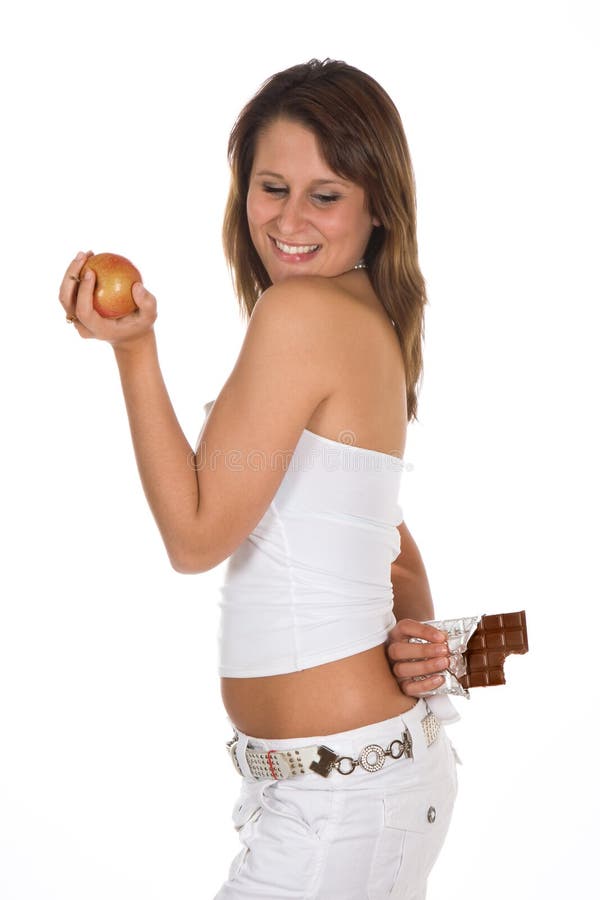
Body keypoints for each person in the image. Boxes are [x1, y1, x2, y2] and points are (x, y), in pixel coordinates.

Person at [58, 58, 461, 899]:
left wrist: (134, 350)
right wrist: (415, 629)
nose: (288, 219)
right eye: (271, 186)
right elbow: (391, 545)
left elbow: (196, 538)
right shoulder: (364, 320)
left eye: (325, 194)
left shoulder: (302, 313)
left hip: (340, 804)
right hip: (352, 790)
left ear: (377, 202)